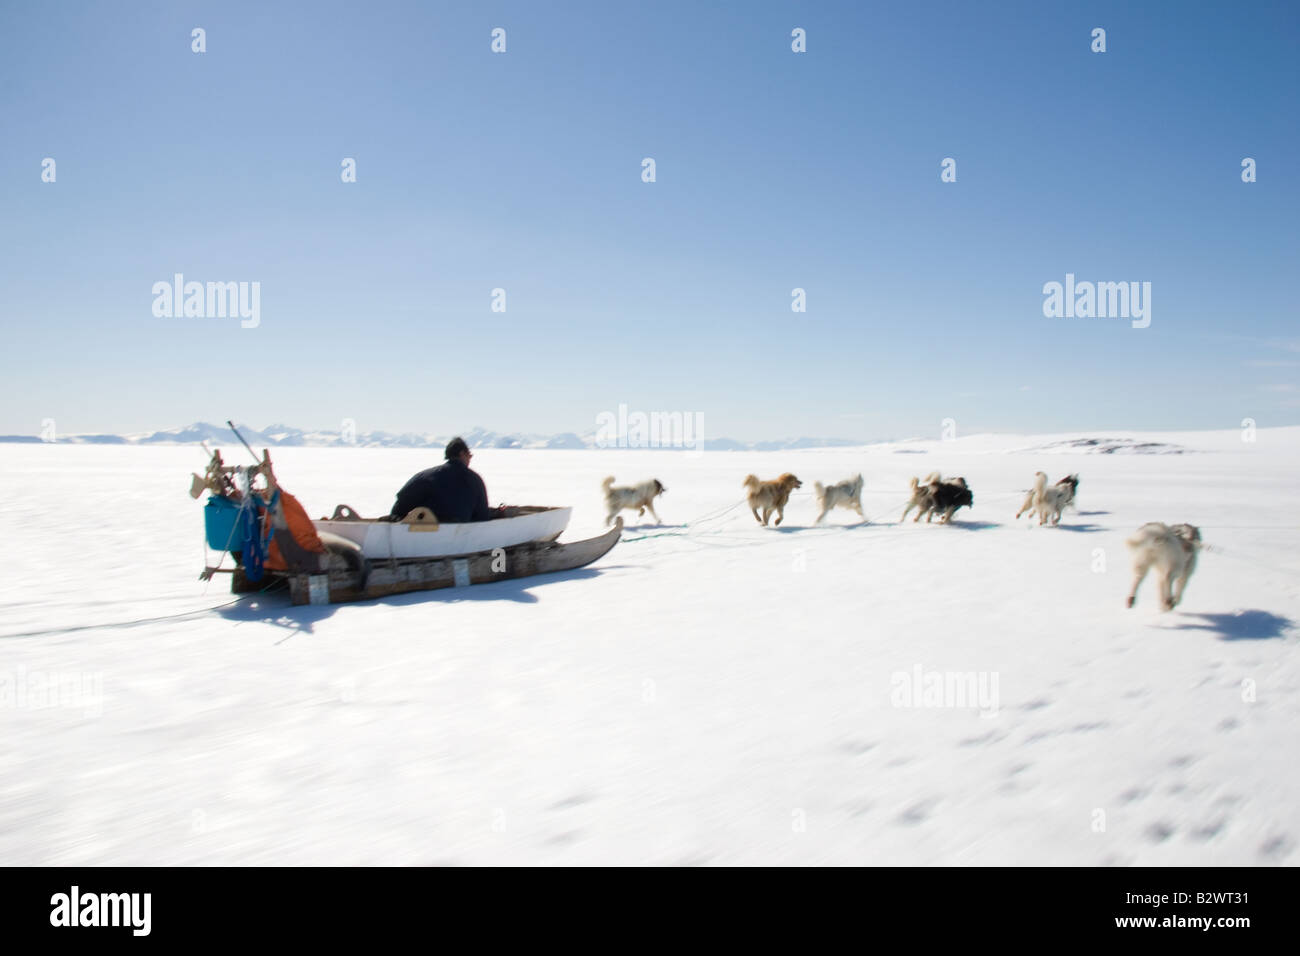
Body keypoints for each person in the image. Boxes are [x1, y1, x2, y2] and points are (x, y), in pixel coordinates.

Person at [389, 437, 503, 522]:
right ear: (462, 454)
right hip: (459, 536)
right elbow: (482, 517)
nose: (470, 459)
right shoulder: (475, 480)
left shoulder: (425, 476)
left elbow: (401, 503)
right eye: (470, 455)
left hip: (420, 534)